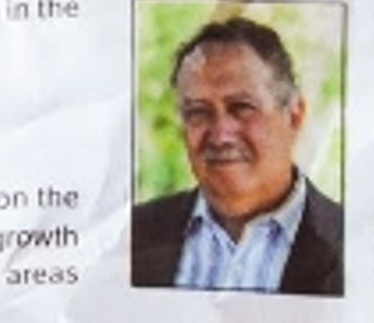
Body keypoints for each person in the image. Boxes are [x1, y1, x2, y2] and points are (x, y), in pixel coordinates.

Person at [132, 17, 344, 294]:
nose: (220, 135)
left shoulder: (355, 245)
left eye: (242, 107)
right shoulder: (134, 235)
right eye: (198, 112)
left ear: (294, 116)